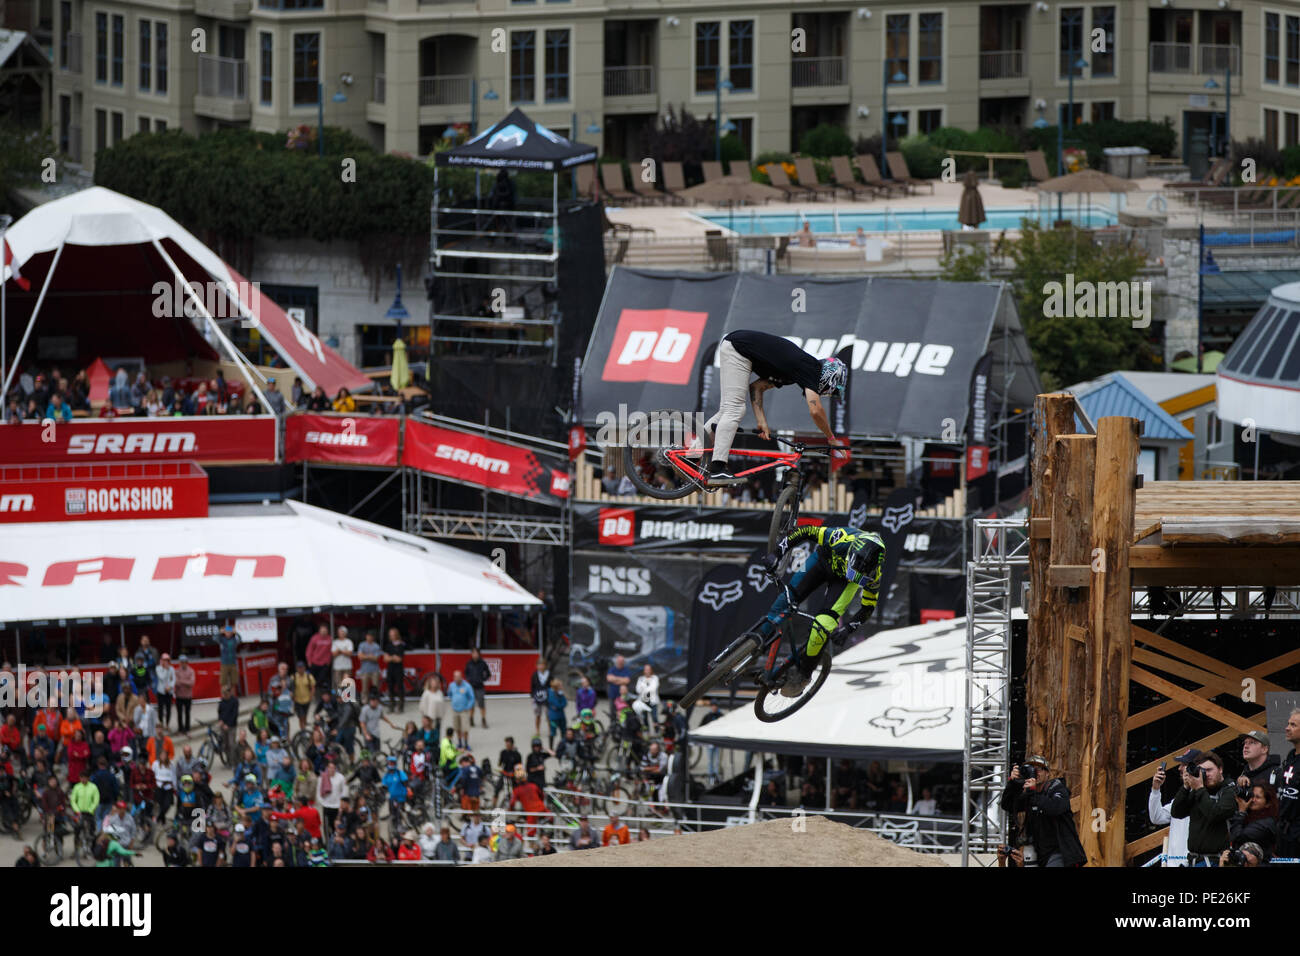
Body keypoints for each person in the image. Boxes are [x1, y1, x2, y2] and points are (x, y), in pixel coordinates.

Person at [692, 329, 846, 484]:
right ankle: (717, 469)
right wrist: (831, 438)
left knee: (726, 411)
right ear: (830, 377)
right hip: (739, 347)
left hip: (736, 345)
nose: (826, 393)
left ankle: (690, 457)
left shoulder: (793, 374)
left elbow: (756, 388)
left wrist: (762, 421)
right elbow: (816, 410)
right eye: (831, 390)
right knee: (734, 409)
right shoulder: (813, 370)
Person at [760, 523, 884, 695]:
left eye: (861, 577)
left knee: (822, 626)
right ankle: (757, 639)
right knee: (787, 598)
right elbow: (806, 531)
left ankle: (804, 675)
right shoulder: (841, 537)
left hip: (844, 584)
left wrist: (848, 629)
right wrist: (777, 553)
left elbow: (868, 607)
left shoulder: (874, 575)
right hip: (822, 561)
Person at [999, 754, 1086, 867]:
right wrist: (1013, 783)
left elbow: (1055, 808)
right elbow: (1008, 805)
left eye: (1038, 769)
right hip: (1038, 853)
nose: (1035, 773)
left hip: (1060, 852)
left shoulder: (1057, 788)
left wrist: (1032, 793)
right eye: (1031, 769)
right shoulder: (1030, 794)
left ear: (1047, 773)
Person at [1171, 751, 1237, 867]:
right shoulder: (1199, 790)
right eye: (1202, 771)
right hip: (1193, 859)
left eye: (1209, 770)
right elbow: (1177, 812)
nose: (1207, 774)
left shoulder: (1229, 790)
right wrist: (1186, 787)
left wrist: (1200, 788)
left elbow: (1215, 814)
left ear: (1220, 769)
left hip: (1215, 860)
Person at [1148, 760, 1191, 867]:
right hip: (1173, 864)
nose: (1179, 768)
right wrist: (1156, 789)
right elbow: (1156, 817)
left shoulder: (1208, 797)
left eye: (1184, 764)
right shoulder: (1179, 799)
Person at [1227, 782, 1278, 863]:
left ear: (1267, 804)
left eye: (1257, 797)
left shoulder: (1266, 823)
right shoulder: (1249, 815)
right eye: (1252, 796)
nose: (1253, 800)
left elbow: (1237, 837)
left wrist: (1241, 812)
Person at [382, 627, 408, 711]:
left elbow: (399, 659)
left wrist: (391, 657)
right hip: (390, 669)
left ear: (396, 635)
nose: (392, 636)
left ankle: (401, 706)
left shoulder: (401, 645)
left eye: (393, 635)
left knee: (400, 687)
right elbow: (385, 659)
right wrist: (393, 657)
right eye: (390, 635)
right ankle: (392, 705)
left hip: (399, 669)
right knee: (390, 687)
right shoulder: (388, 645)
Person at [465, 647, 491, 729]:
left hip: (480, 687)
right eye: (473, 653)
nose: (475, 655)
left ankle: (483, 719)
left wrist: (483, 679)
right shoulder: (469, 663)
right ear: (471, 654)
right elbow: (466, 673)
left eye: (476, 653)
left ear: (479, 654)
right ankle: (471, 719)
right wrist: (469, 679)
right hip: (471, 687)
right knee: (471, 704)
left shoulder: (482, 663)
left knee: (481, 704)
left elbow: (488, 674)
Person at [448, 671, 475, 749]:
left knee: (465, 729)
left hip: (464, 711)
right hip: (455, 711)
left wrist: (468, 707)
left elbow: (472, 698)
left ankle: (466, 744)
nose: (456, 678)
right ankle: (459, 743)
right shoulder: (451, 685)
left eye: (458, 677)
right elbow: (449, 694)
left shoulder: (467, 686)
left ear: (461, 677)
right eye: (455, 677)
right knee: (457, 728)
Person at [305, 625, 333, 696]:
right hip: (314, 662)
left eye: (325, 630)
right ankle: (312, 695)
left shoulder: (330, 639)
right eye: (322, 630)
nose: (323, 632)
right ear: (319, 630)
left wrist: (328, 662)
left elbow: (331, 651)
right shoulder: (314, 638)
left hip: (324, 664)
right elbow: (309, 650)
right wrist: (309, 660)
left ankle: (320, 695)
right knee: (312, 681)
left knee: (321, 680)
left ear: (328, 631)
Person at [419, 674, 448, 741]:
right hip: (429, 719)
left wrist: (442, 715)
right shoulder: (426, 693)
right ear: (430, 683)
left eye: (436, 682)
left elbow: (443, 705)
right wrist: (426, 718)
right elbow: (422, 706)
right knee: (429, 734)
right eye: (433, 682)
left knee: (437, 732)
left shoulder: (440, 693)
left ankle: (436, 745)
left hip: (438, 718)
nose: (434, 684)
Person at [633, 664, 661, 731]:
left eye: (648, 669)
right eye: (646, 669)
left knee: (655, 718)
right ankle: (647, 733)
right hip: (643, 702)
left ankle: (657, 732)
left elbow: (653, 689)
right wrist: (646, 687)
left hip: (653, 702)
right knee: (644, 718)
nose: (647, 671)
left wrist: (643, 687)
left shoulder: (655, 678)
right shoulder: (640, 679)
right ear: (644, 671)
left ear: (651, 670)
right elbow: (638, 690)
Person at [356, 631, 383, 701]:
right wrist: (370, 656)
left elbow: (376, 658)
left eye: (371, 636)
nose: (369, 637)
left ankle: (376, 701)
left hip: (375, 670)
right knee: (364, 688)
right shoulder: (362, 645)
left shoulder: (376, 646)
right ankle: (364, 702)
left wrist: (365, 656)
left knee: (375, 688)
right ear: (366, 636)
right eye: (368, 636)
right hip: (365, 670)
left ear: (373, 637)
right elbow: (360, 656)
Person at [605, 655, 632, 722]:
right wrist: (621, 680)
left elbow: (627, 680)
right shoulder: (612, 669)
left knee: (623, 712)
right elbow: (609, 678)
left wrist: (615, 679)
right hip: (613, 695)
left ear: (623, 662)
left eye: (622, 662)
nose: (620, 663)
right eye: (619, 661)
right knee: (612, 712)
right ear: (617, 661)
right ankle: (613, 726)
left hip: (623, 696)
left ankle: (622, 726)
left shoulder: (626, 670)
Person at [290, 661, 316, 732]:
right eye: (299, 668)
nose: (300, 669)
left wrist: (311, 696)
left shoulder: (308, 676)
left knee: (305, 715)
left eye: (301, 667)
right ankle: (302, 730)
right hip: (298, 700)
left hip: (307, 700)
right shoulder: (293, 677)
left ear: (304, 668)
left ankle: (304, 727)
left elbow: (313, 687)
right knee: (301, 716)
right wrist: (292, 697)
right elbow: (291, 688)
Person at [173, 655, 196, 733]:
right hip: (179, 695)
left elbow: (192, 683)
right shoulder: (176, 671)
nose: (183, 664)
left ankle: (187, 728)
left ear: (187, 662)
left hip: (188, 696)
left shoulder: (191, 671)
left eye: (184, 662)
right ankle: (180, 729)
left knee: (187, 713)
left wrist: (181, 681)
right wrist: (186, 681)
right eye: (181, 662)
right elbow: (176, 682)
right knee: (179, 713)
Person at [217, 624, 240, 694]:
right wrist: (219, 632)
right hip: (224, 663)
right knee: (223, 682)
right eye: (227, 632)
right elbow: (215, 638)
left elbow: (240, 639)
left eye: (230, 632)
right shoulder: (222, 639)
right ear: (225, 633)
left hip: (233, 663)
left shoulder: (234, 640)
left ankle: (232, 697)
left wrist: (236, 633)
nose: (228, 634)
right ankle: (224, 697)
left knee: (233, 682)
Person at [530, 658, 551, 735]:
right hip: (537, 697)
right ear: (536, 666)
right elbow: (532, 687)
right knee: (538, 715)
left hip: (547, 698)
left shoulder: (549, 675)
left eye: (542, 665)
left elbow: (552, 686)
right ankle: (537, 730)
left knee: (548, 715)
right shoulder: (534, 675)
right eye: (539, 665)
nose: (541, 666)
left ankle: (550, 730)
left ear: (545, 666)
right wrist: (532, 697)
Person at [331, 626, 354, 692]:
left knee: (347, 683)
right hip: (337, 667)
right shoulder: (335, 642)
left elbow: (350, 653)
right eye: (339, 632)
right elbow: (333, 654)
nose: (341, 633)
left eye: (342, 632)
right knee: (338, 684)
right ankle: (339, 698)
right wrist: (344, 651)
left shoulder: (349, 642)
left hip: (347, 666)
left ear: (345, 633)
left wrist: (339, 651)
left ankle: (346, 699)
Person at [546, 678, 567, 750]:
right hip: (554, 717)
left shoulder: (560, 693)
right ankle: (551, 748)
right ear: (556, 687)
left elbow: (565, 703)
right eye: (560, 686)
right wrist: (560, 705)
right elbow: (558, 704)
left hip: (561, 716)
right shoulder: (551, 693)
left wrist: (560, 706)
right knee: (552, 733)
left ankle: (563, 746)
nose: (562, 687)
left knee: (563, 732)